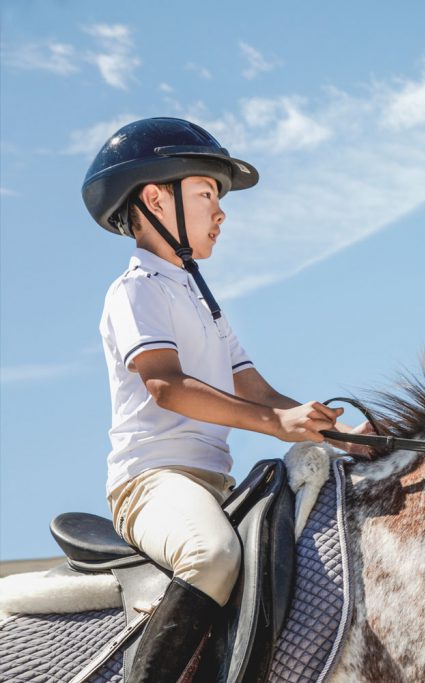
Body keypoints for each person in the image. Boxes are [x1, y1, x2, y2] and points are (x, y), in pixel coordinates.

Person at [82, 117, 371, 682]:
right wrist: (274, 421)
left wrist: (334, 433)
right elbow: (165, 384)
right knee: (211, 556)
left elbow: (254, 389)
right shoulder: (134, 290)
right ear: (154, 199)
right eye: (207, 193)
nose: (221, 212)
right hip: (152, 481)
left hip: (214, 481)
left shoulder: (201, 299)